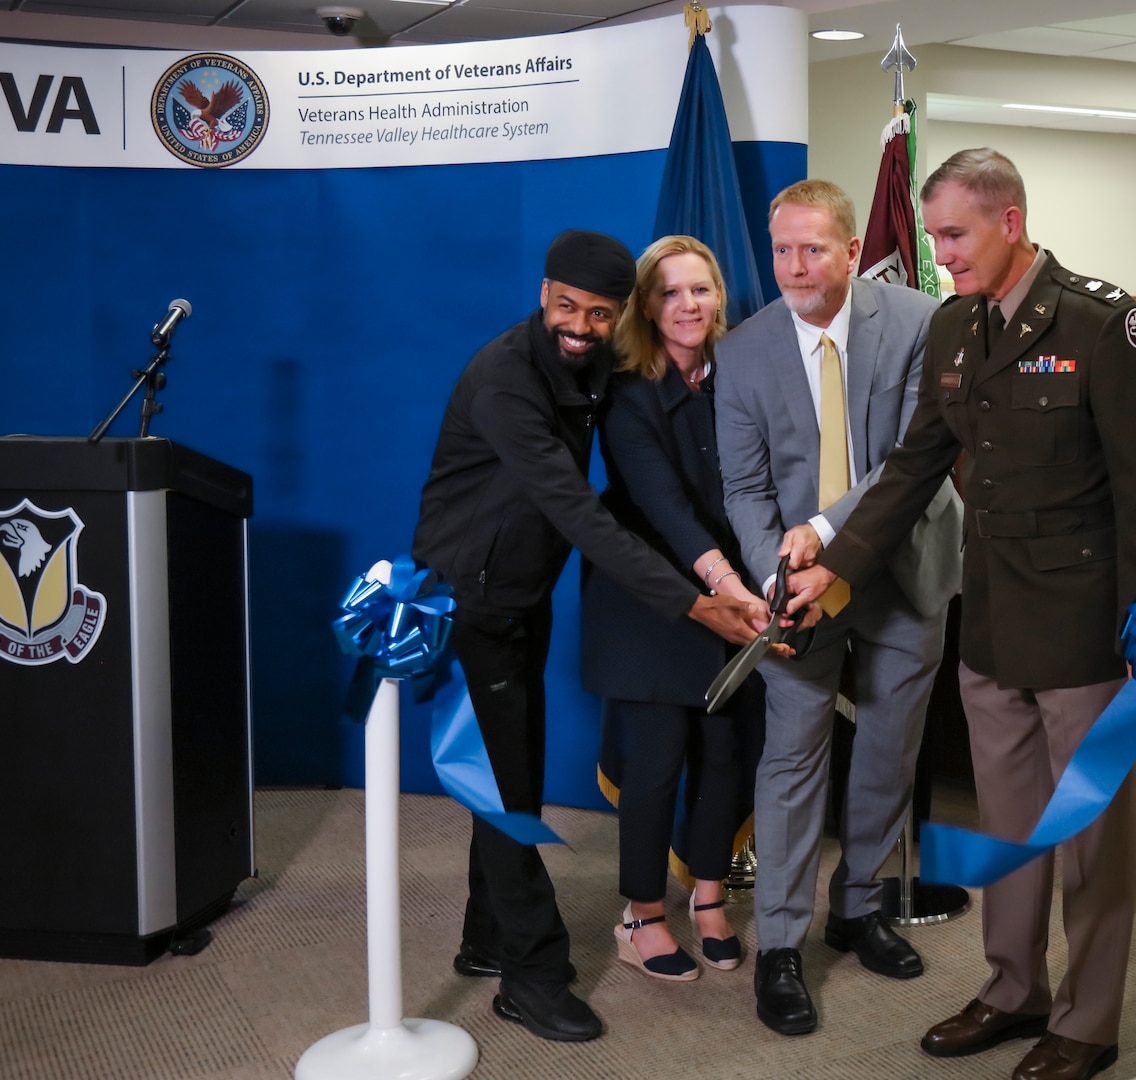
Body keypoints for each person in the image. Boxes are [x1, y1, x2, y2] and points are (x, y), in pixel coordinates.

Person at [785, 148, 1136, 1080]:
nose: (942, 255)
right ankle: (1015, 991)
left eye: (956, 235)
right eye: (932, 235)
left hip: (1091, 631)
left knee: (1090, 842)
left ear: (1010, 222)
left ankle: (1088, 1023)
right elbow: (914, 465)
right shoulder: (957, 329)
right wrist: (836, 564)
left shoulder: (1100, 322)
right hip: (995, 621)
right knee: (1009, 831)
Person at [411, 229, 764, 1043]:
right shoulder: (504, 379)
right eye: (568, 307)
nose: (581, 325)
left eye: (599, 314)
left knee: (510, 778)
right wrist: (695, 602)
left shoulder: (593, 362)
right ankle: (531, 978)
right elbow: (579, 513)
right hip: (468, 598)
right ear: (544, 296)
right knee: (505, 789)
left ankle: (484, 939)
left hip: (520, 594)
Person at [714, 179, 963, 1036]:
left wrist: (823, 536)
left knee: (890, 747)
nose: (794, 266)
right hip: (798, 593)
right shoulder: (743, 352)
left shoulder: (917, 322)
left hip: (903, 566)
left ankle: (859, 908)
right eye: (781, 249)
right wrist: (774, 577)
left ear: (853, 250)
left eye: (812, 248)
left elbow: (911, 464)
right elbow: (744, 488)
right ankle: (781, 942)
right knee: (792, 757)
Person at [581, 235, 771, 983]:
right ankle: (642, 915)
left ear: (719, 296)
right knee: (656, 758)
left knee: (726, 751)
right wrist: (729, 586)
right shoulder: (627, 392)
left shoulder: (741, 379)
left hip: (735, 590)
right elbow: (663, 506)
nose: (686, 305)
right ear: (645, 306)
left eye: (699, 290)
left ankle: (709, 897)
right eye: (668, 293)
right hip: (652, 599)